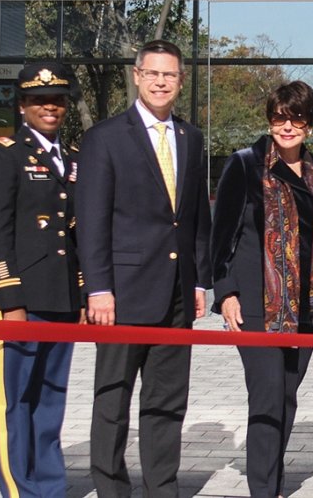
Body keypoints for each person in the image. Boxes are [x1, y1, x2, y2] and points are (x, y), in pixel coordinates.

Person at [75, 39, 211, 498]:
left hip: (176, 293)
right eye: (152, 73)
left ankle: (161, 487)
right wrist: (97, 289)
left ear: (180, 80)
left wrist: (198, 279)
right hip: (122, 294)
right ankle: (112, 488)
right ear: (136, 76)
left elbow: (194, 218)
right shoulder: (105, 138)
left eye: (169, 74)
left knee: (167, 401)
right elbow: (92, 220)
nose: (160, 82)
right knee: (113, 399)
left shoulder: (191, 138)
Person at [210, 81, 313, 498]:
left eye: (296, 117)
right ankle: (263, 489)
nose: (287, 125)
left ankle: (275, 482)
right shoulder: (245, 164)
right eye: (280, 116)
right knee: (266, 394)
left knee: (286, 394)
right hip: (258, 301)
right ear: (270, 119)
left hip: (305, 305)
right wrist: (225, 291)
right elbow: (221, 234)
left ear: (309, 124)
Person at [0, 63, 84, 498]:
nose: (50, 106)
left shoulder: (74, 157)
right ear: (22, 105)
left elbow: (76, 232)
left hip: (61, 296)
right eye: (40, 99)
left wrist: (80, 293)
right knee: (14, 399)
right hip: (22, 297)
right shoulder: (7, 153)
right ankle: (17, 488)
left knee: (50, 401)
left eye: (57, 100)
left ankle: (49, 486)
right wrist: (9, 295)